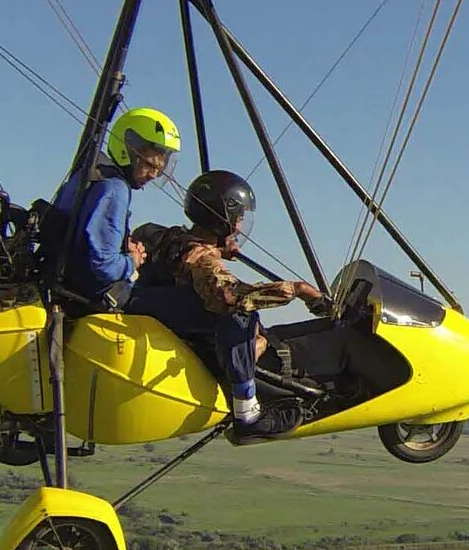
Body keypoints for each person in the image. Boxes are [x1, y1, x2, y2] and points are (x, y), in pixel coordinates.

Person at [126, 170, 324, 438]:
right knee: (241, 316)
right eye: (238, 219)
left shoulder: (170, 238)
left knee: (247, 324)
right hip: (171, 321)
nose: (240, 227)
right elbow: (230, 296)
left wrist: (218, 248)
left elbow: (166, 242)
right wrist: (297, 290)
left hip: (145, 305)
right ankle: (247, 412)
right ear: (222, 217)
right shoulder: (201, 258)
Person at [49, 107, 177, 312]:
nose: (153, 175)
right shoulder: (116, 189)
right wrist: (132, 261)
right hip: (93, 297)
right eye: (148, 164)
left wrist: (120, 246)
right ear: (127, 150)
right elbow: (105, 266)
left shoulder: (92, 174)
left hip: (69, 282)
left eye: (159, 170)